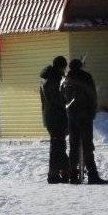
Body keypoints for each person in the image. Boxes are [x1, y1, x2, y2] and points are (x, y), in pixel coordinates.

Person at [60, 58, 108, 185]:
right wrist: (92, 112)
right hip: (84, 115)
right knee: (87, 146)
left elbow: (62, 98)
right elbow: (92, 95)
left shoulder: (65, 80)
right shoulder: (85, 77)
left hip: (71, 115)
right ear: (80, 66)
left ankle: (73, 176)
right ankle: (92, 175)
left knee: (73, 146)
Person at [39, 56, 70, 184]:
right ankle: (55, 175)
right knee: (58, 146)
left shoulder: (47, 78)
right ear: (62, 67)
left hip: (50, 116)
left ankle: (62, 172)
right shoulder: (54, 79)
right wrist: (67, 99)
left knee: (58, 145)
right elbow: (57, 100)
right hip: (56, 117)